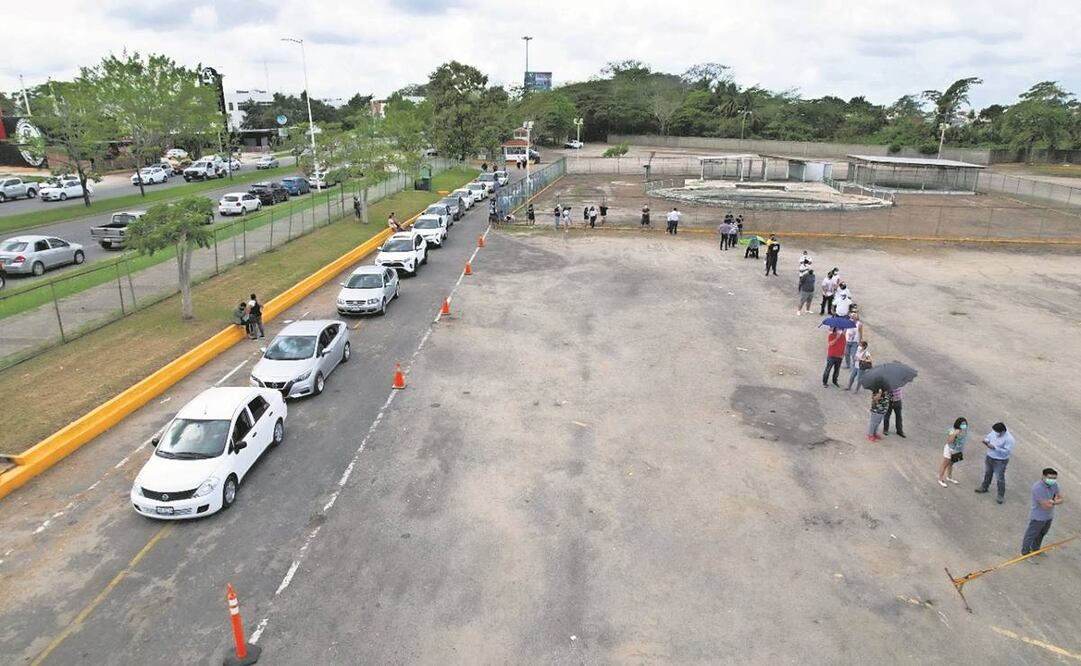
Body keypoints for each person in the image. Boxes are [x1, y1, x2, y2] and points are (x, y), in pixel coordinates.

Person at [1022, 468, 1063, 557]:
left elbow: (1061, 499)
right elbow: (1045, 506)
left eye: (1054, 478)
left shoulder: (1054, 485)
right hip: (1038, 517)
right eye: (1050, 478)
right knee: (1031, 535)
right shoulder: (1038, 488)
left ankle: (1035, 549)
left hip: (1048, 516)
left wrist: (1052, 502)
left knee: (1042, 533)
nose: (1052, 480)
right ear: (1043, 476)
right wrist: (1055, 502)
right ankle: (1025, 553)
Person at [976, 422, 1015, 503]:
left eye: (997, 432)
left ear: (1002, 431)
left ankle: (1000, 495)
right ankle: (984, 487)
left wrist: (995, 448)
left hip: (1000, 460)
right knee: (988, 473)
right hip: (990, 457)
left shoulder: (1009, 439)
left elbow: (1007, 452)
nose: (995, 433)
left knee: (1000, 478)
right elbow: (989, 437)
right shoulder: (994, 432)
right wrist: (986, 441)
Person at [938, 417, 968, 487]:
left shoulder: (964, 431)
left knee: (951, 464)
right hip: (950, 449)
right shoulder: (952, 430)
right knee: (945, 464)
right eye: (962, 424)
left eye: (965, 424)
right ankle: (940, 479)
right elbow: (949, 441)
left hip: (957, 450)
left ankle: (949, 477)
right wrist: (954, 434)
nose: (964, 425)